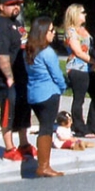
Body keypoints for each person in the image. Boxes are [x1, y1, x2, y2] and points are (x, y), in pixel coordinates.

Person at [0, 0, 34, 161]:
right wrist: (9, 77)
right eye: (11, 5)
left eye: (17, 4)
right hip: (5, 79)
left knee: (23, 109)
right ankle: (9, 148)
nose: (16, 7)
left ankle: (24, 144)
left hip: (21, 75)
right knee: (9, 110)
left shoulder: (17, 24)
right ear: (1, 7)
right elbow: (1, 55)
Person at [25, 17, 67, 177]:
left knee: (44, 127)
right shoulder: (47, 52)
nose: (54, 33)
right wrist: (62, 87)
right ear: (42, 32)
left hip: (33, 94)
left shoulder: (29, 51)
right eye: (51, 30)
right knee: (46, 129)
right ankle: (44, 166)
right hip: (48, 94)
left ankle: (44, 164)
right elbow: (57, 75)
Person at [62, 4, 95, 137]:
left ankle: (93, 124)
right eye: (82, 12)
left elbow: (89, 48)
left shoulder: (84, 30)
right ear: (74, 14)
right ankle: (79, 126)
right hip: (77, 68)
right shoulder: (71, 32)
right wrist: (94, 61)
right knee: (79, 98)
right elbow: (78, 52)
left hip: (88, 69)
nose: (85, 15)